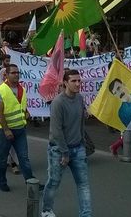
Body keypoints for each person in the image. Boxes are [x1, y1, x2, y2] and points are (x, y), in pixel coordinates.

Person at [41, 69, 91, 217]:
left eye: (79, 81)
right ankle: (46, 210)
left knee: (83, 184)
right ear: (65, 83)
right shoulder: (58, 102)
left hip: (78, 148)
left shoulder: (80, 98)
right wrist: (65, 152)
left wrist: (82, 142)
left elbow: (81, 122)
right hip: (59, 150)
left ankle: (86, 214)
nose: (77, 84)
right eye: (73, 81)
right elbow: (56, 131)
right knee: (54, 182)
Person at [0, 63, 35, 192]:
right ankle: (1, 182)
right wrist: (6, 129)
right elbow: (0, 113)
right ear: (6, 75)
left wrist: (26, 111)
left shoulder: (22, 88)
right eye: (13, 73)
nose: (16, 75)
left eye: (18, 72)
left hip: (20, 129)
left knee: (24, 157)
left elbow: (20, 104)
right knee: (3, 157)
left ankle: (31, 182)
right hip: (4, 130)